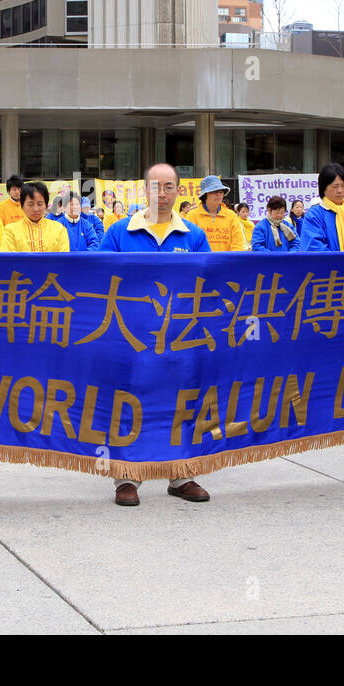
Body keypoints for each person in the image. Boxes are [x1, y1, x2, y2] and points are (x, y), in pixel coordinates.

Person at [97, 163, 211, 507]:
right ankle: (126, 477)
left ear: (179, 191)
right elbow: (100, 278)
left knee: (182, 401)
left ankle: (181, 475)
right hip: (130, 337)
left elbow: (208, 286)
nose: (162, 194)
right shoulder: (119, 232)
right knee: (127, 402)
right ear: (144, 190)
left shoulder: (193, 236)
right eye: (155, 187)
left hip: (180, 337)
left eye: (169, 187)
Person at [3, 181, 70, 252]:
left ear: (46, 205)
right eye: (30, 204)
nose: (35, 209)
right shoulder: (10, 231)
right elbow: (8, 260)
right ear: (22, 206)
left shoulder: (59, 229)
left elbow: (63, 260)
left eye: (40, 204)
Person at [186, 175, 248, 251]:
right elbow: (188, 242)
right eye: (214, 192)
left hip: (226, 261)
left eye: (221, 192)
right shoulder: (192, 215)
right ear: (205, 195)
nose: (218, 194)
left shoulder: (231, 215)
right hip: (201, 261)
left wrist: (230, 260)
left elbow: (238, 243)